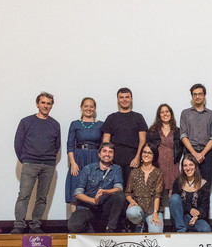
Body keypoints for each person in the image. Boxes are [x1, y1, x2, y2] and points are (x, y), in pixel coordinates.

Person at [11, 92, 60, 234]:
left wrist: (49, 159)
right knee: (24, 195)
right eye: (43, 103)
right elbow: (17, 144)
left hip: (48, 165)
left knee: (42, 197)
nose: (46, 106)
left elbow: (57, 146)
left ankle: (35, 225)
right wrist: (26, 159)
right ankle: (19, 225)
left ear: (52, 106)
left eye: (49, 103)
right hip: (30, 163)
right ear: (37, 104)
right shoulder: (26, 122)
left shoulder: (55, 124)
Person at [67, 143, 126, 233]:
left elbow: (119, 188)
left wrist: (105, 192)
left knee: (120, 196)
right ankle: (90, 229)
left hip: (105, 208)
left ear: (113, 155)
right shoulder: (88, 169)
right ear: (99, 154)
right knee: (73, 226)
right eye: (104, 151)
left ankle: (110, 229)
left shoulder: (116, 169)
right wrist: (94, 200)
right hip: (88, 207)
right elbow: (78, 193)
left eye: (110, 152)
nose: (107, 154)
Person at [102, 87, 148, 188]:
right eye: (121, 97)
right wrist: (108, 158)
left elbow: (143, 140)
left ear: (131, 99)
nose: (124, 99)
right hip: (115, 158)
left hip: (132, 158)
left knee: (131, 189)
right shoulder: (111, 118)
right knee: (115, 188)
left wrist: (138, 157)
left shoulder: (138, 117)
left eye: (127, 97)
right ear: (118, 99)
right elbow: (105, 141)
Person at [65, 97, 104, 206]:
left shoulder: (101, 124)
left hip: (95, 158)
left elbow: (103, 145)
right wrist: (72, 163)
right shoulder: (75, 124)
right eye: (86, 106)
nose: (88, 108)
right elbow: (70, 145)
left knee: (94, 186)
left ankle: (93, 220)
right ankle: (74, 220)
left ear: (95, 108)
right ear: (81, 107)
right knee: (75, 185)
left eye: (91, 106)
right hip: (78, 158)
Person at [179, 83, 212, 188]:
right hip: (190, 152)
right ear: (192, 96)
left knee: (205, 185)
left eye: (200, 94)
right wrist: (194, 153)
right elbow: (183, 135)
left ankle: (204, 205)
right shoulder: (185, 113)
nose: (197, 97)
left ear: (204, 96)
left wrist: (202, 153)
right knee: (188, 185)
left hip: (206, 153)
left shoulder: (211, 114)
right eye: (194, 94)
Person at [147, 104, 183, 203]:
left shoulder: (177, 131)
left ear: (171, 113)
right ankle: (157, 214)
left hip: (173, 163)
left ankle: (174, 215)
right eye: (162, 112)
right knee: (157, 190)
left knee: (174, 191)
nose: (165, 114)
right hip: (158, 163)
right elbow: (148, 147)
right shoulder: (153, 130)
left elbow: (181, 147)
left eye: (167, 111)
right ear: (159, 115)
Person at [125, 142, 164, 233]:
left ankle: (147, 222)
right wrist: (132, 201)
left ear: (154, 155)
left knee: (156, 232)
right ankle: (140, 223)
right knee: (132, 212)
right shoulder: (134, 172)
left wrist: (155, 213)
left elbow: (158, 195)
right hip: (138, 207)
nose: (146, 155)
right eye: (144, 152)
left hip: (152, 209)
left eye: (149, 153)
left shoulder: (159, 172)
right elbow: (127, 192)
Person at [169, 154, 212, 232]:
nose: (188, 168)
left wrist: (197, 216)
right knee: (174, 197)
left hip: (195, 218)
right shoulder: (178, 182)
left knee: (206, 229)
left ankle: (190, 228)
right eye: (185, 165)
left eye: (191, 165)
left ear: (195, 166)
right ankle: (181, 230)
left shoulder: (204, 184)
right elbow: (175, 203)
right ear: (182, 168)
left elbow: (205, 206)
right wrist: (190, 209)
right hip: (181, 218)